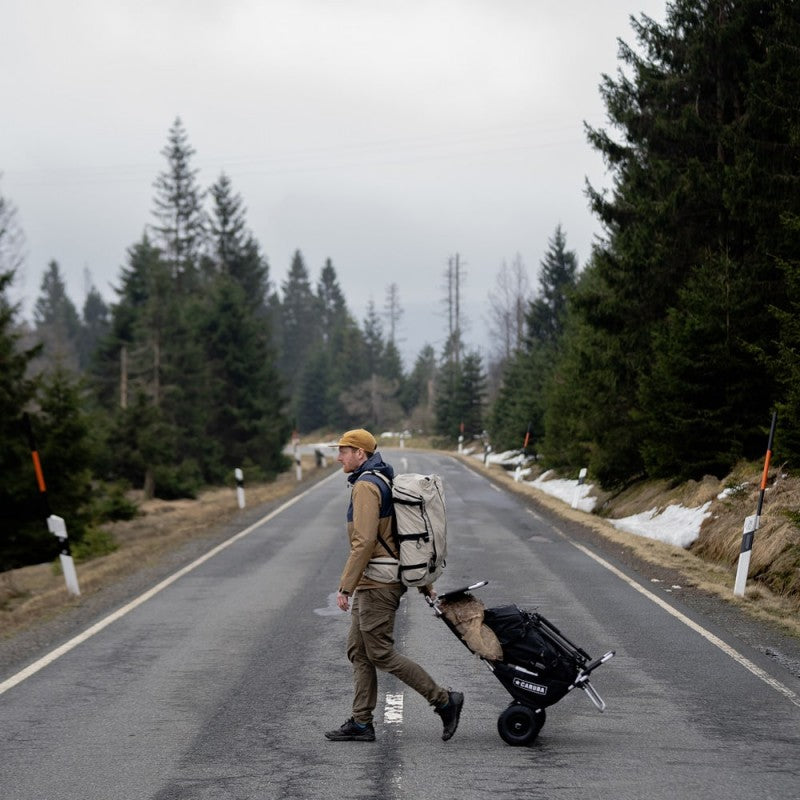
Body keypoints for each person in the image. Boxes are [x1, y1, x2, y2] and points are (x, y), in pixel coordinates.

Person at [324, 428, 464, 743]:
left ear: (360, 454)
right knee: (359, 651)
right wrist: (421, 584)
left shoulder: (365, 486)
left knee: (380, 653)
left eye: (344, 451)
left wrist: (345, 587)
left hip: (377, 583)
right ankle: (361, 722)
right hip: (376, 581)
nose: (339, 456)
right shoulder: (382, 479)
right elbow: (399, 539)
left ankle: (443, 700)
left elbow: (364, 542)